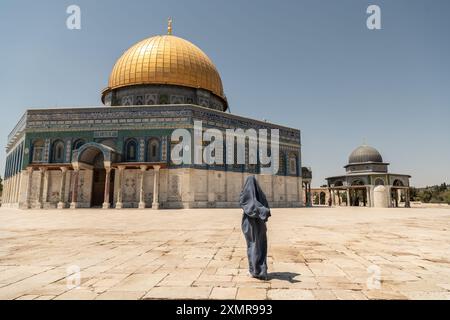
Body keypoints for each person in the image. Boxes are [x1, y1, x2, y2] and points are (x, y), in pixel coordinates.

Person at [239, 175, 271, 280]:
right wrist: (261, 211)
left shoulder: (245, 194)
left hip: (249, 224)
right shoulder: (261, 195)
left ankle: (254, 271)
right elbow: (266, 207)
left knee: (252, 246)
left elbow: (244, 203)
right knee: (261, 245)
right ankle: (261, 270)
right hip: (260, 224)